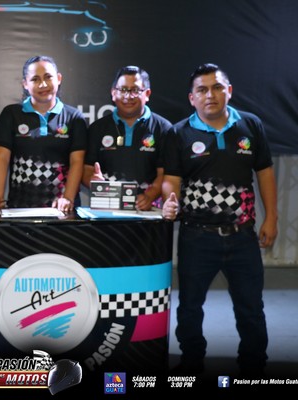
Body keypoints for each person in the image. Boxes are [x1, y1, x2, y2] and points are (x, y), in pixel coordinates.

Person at [162, 63, 278, 377]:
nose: (210, 95)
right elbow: (171, 179)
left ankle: (254, 364)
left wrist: (272, 218)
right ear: (192, 98)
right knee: (190, 306)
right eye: (202, 90)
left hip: (243, 236)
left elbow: (264, 173)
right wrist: (170, 200)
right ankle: (191, 361)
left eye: (217, 87)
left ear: (229, 91)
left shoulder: (251, 125)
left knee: (250, 306)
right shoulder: (178, 132)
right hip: (196, 237)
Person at [0, 55, 87, 214]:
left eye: (48, 77)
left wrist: (67, 198)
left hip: (62, 210)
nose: (43, 84)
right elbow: (2, 158)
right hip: (19, 209)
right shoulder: (11, 114)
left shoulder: (74, 117)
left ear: (59, 79)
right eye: (35, 79)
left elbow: (77, 161)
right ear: (25, 84)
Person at [82, 65, 173, 210]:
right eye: (123, 89)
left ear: (147, 94)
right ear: (113, 93)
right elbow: (87, 169)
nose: (128, 96)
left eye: (135, 90)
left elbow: (165, 174)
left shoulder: (163, 128)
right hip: (107, 209)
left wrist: (150, 196)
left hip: (147, 210)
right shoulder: (97, 128)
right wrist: (93, 181)